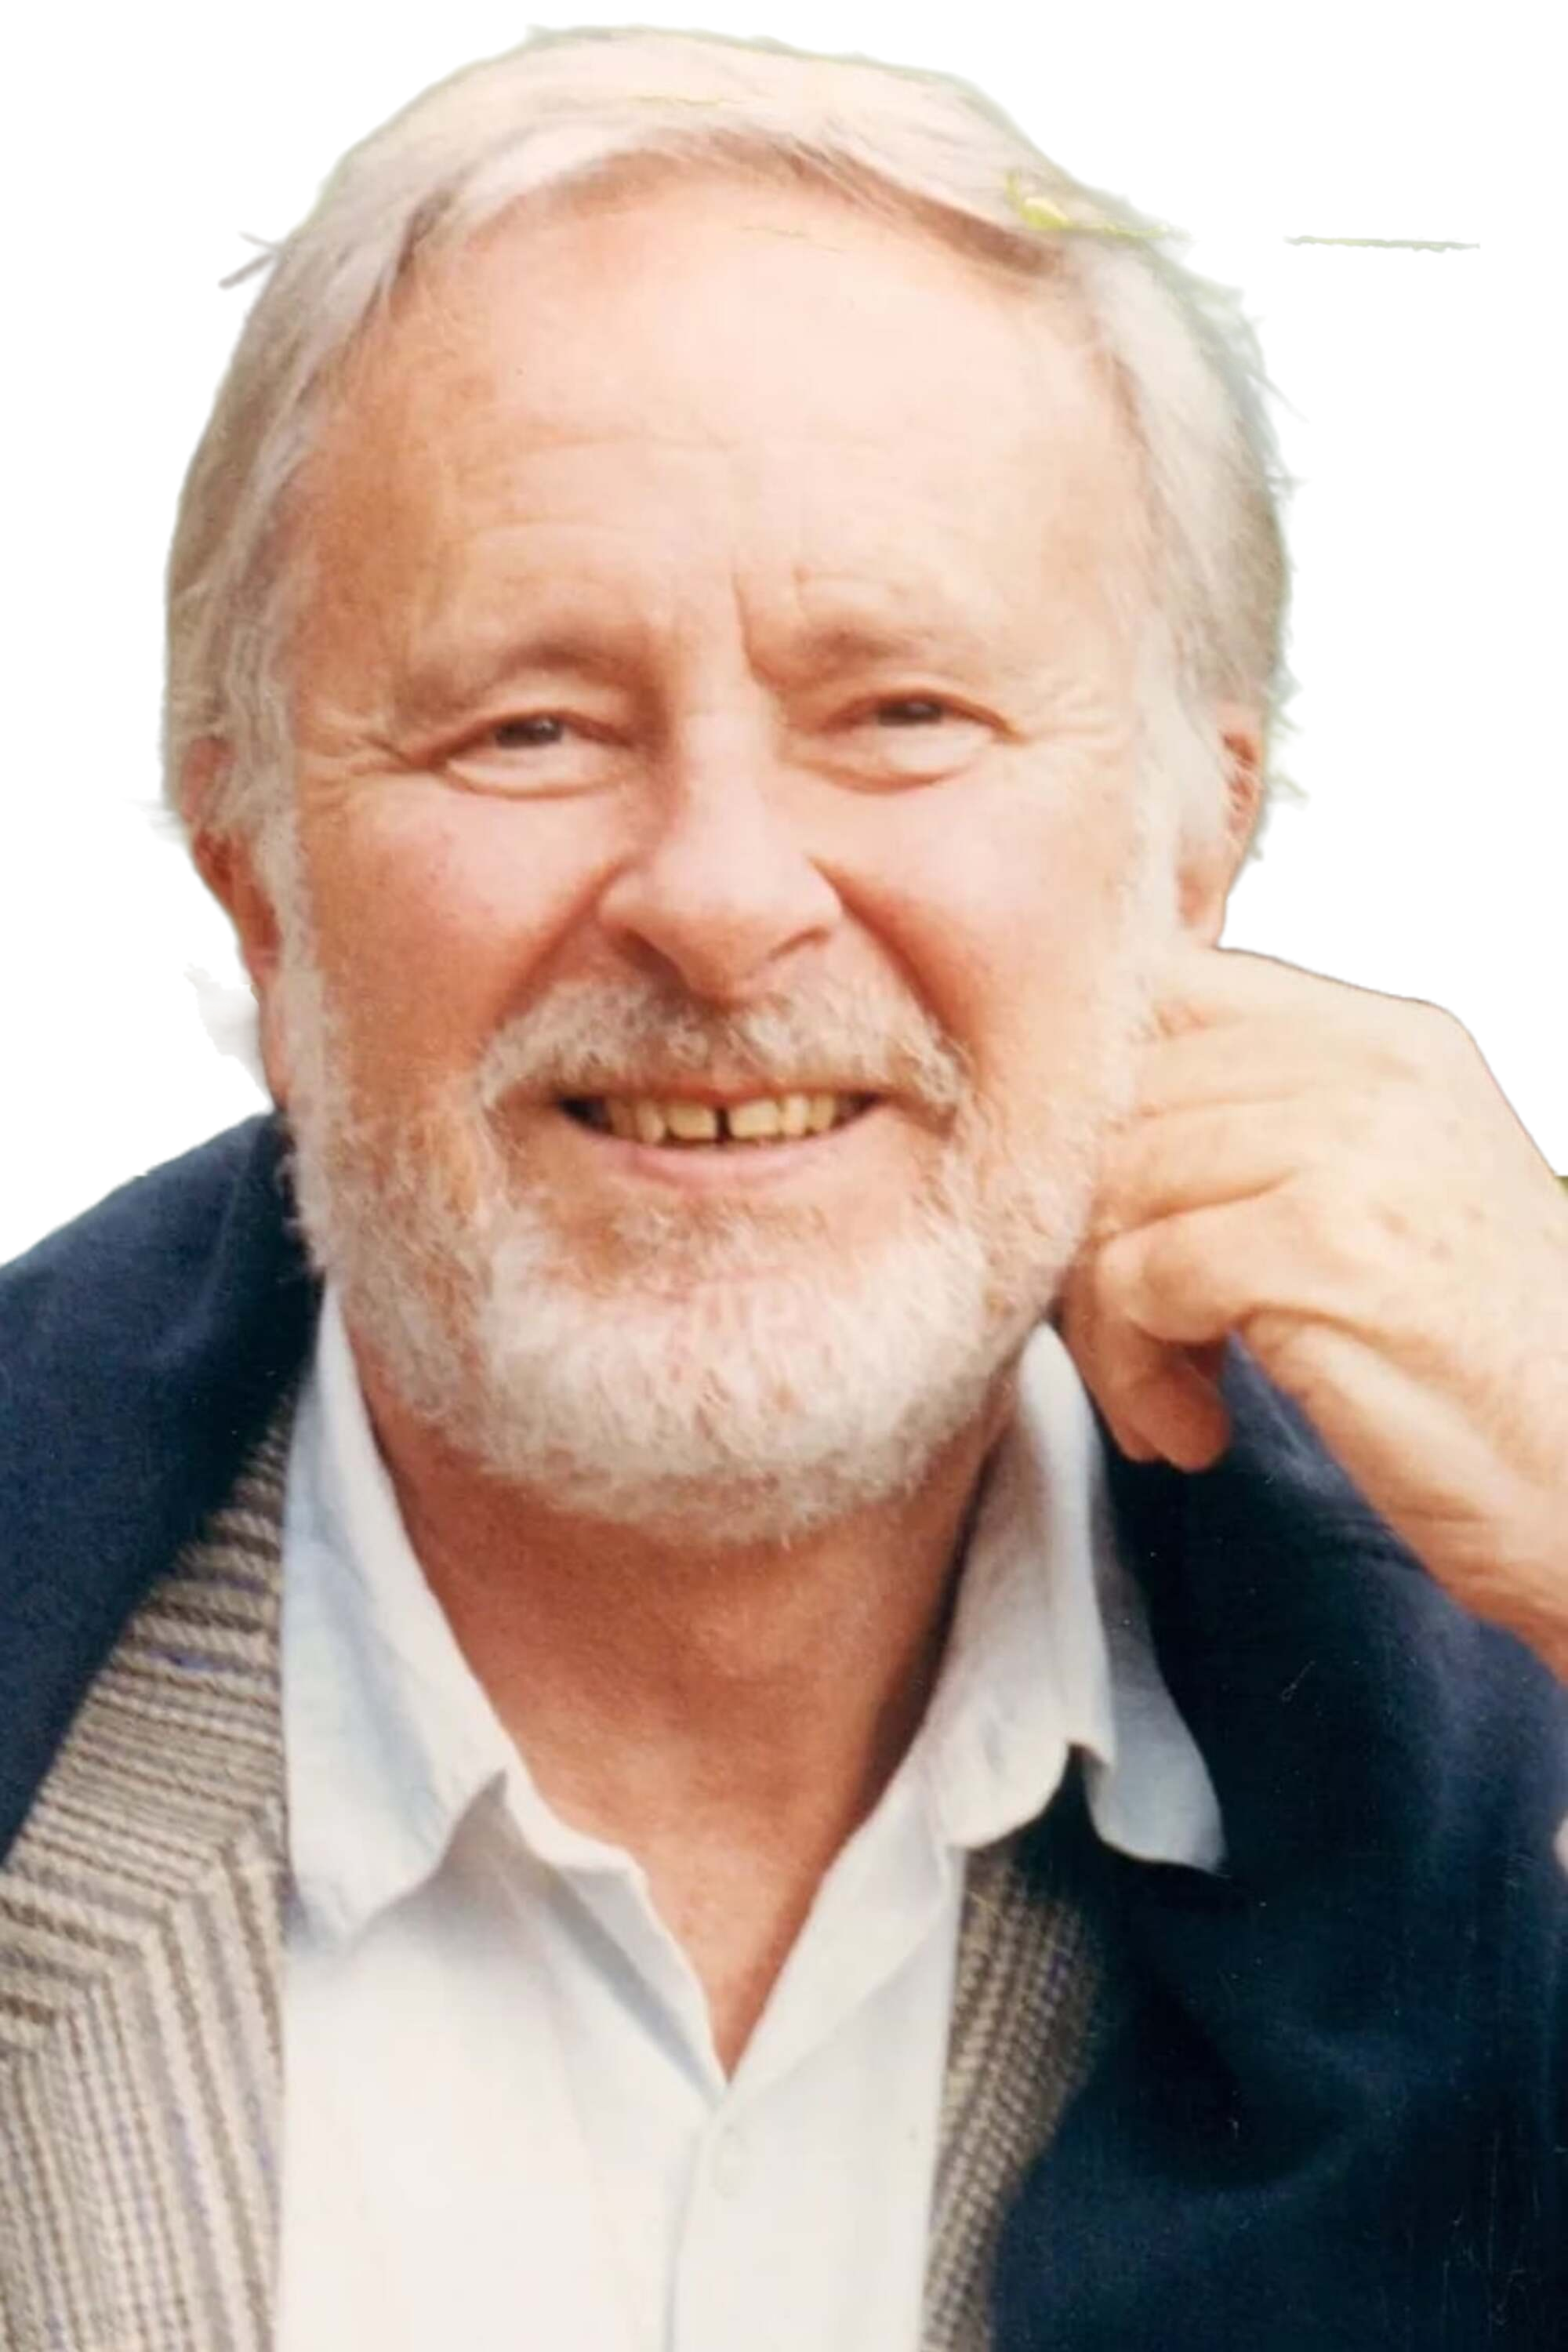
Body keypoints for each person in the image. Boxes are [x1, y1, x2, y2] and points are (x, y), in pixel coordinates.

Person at [2, 25, 1563, 2352]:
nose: (723, 902)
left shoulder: (1517, 1729)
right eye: (531, 725)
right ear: (260, 886)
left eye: (903, 713)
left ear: (1193, 849)